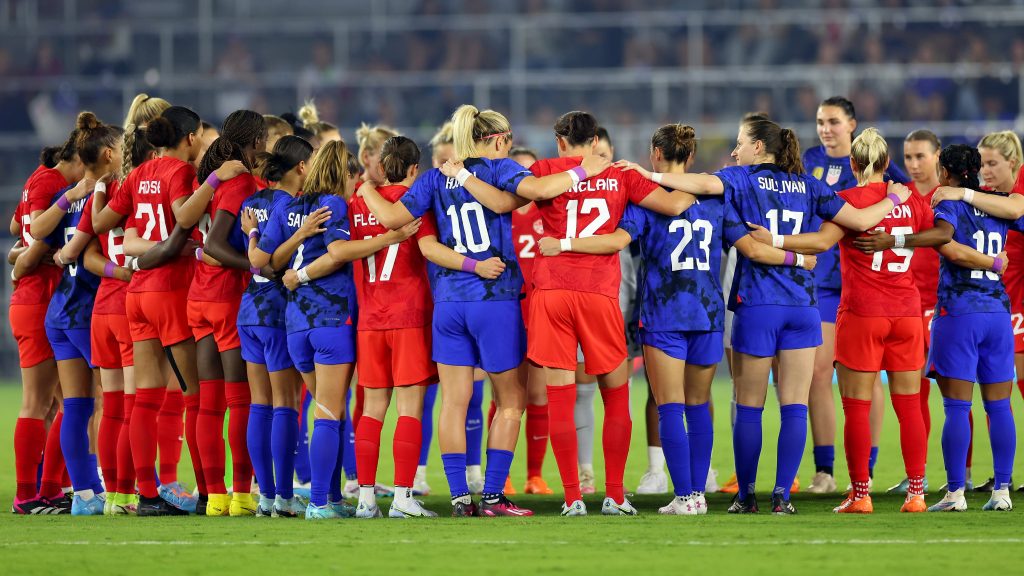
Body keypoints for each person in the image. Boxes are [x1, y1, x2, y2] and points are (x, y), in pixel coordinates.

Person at [627, 119, 910, 514]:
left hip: (757, 303)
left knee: (749, 406)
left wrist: (646, 174)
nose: (734, 151)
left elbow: (703, 187)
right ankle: (783, 496)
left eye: (740, 143)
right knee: (795, 405)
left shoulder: (741, 180)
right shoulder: (810, 185)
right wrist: (895, 199)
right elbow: (861, 222)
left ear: (759, 147)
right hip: (802, 306)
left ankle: (746, 496)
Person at [544, 124, 810, 514]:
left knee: (670, 406)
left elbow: (618, 241)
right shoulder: (717, 200)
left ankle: (684, 495)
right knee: (699, 405)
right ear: (690, 156)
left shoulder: (646, 202)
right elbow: (751, 248)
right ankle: (699, 495)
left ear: (655, 153)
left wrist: (566, 244)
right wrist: (798, 257)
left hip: (664, 313)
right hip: (707, 312)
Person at [362, 104, 609, 516]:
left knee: (453, 403)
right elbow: (540, 192)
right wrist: (587, 169)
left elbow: (390, 219)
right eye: (507, 141)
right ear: (497, 140)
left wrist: (366, 188)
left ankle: (460, 498)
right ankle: (493, 496)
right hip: (494, 299)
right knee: (510, 401)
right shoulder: (499, 169)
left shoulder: (434, 177)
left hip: (448, 303)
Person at [448, 109, 694, 516]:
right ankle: (614, 495)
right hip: (598, 293)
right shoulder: (620, 174)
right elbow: (676, 206)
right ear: (596, 139)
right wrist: (677, 181)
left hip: (552, 292)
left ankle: (572, 498)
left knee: (559, 398)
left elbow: (501, 202)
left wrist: (463, 176)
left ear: (561, 141)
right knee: (615, 394)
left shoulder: (545, 170)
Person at [753, 128, 937, 513]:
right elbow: (938, 236)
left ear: (852, 164)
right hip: (907, 311)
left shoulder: (848, 201)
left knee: (856, 405)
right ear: (888, 164)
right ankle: (917, 493)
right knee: (909, 407)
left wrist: (776, 240)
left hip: (862, 313)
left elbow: (819, 242)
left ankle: (860, 494)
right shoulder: (911, 202)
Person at [249, 140, 414, 519]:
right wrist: (389, 238)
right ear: (344, 173)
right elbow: (338, 253)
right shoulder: (335, 206)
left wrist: (273, 247)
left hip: (294, 325)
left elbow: (266, 262)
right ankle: (321, 502)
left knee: (330, 410)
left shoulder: (288, 206)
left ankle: (334, 499)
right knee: (328, 411)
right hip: (330, 319)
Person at [93, 106, 245, 516]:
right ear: (191, 138)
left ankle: (145, 495)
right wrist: (213, 180)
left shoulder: (140, 172)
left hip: (136, 293)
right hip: (172, 289)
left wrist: (97, 192)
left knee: (144, 398)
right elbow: (183, 217)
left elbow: (105, 222)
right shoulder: (180, 172)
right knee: (196, 398)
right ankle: (207, 494)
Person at [300, 136, 439, 518]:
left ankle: (364, 499)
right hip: (409, 316)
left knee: (372, 410)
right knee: (410, 408)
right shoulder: (418, 202)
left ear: (381, 166)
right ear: (414, 170)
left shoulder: (355, 204)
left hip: (369, 319)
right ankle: (403, 498)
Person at [802, 96, 909, 494]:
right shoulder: (809, 158)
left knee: (867, 377)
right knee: (818, 373)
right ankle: (825, 470)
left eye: (832, 121)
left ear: (852, 125)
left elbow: (901, 196)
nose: (825, 129)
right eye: (820, 122)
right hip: (821, 284)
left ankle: (867, 468)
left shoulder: (877, 166)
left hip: (862, 283)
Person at [22, 113, 115, 515]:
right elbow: (81, 249)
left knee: (76, 405)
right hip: (84, 310)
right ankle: (118, 488)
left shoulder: (71, 193)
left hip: (59, 308)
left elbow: (32, 231)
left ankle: (83, 494)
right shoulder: (104, 194)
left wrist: (34, 255)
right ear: (108, 155)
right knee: (108, 401)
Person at [925, 144, 1016, 512]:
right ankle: (1003, 492)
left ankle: (955, 494)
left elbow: (947, 245)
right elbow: (1018, 209)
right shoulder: (999, 203)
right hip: (997, 313)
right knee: (1000, 407)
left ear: (946, 172)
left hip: (959, 312)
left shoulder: (948, 204)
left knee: (957, 408)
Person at [190, 110, 268, 516]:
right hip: (225, 300)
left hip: (199, 297)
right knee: (240, 403)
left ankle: (215, 497)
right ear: (255, 141)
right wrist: (254, 266)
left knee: (209, 404)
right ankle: (240, 496)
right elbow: (218, 242)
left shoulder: (214, 176)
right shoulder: (240, 183)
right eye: (265, 140)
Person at [9, 134, 84, 515]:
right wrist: (26, 258)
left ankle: (50, 490)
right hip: (38, 298)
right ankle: (27, 495)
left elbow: (15, 226)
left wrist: (18, 253)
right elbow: (35, 233)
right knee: (40, 403)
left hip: (42, 299)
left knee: (64, 403)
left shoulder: (40, 180)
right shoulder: (53, 183)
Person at [238, 135, 313, 517]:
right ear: (301, 167)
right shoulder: (293, 206)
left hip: (249, 310)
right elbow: (268, 262)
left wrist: (252, 234)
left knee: (259, 404)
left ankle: (265, 496)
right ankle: (284, 496)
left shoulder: (250, 203)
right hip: (279, 312)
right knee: (286, 405)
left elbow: (249, 260)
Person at [508, 145, 554, 495]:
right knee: (505, 396)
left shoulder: (549, 212)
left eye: (530, 171)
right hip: (507, 311)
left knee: (538, 396)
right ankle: (502, 474)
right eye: (517, 171)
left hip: (540, 311)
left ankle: (534, 475)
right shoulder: (498, 213)